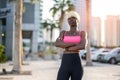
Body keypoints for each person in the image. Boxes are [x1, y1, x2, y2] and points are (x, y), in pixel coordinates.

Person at [55, 11, 87, 80]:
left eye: (73, 18)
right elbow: (57, 43)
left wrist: (67, 48)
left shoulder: (82, 33)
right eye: (69, 18)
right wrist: (74, 43)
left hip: (76, 64)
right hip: (65, 63)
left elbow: (82, 46)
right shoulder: (63, 33)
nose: (71, 20)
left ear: (77, 20)